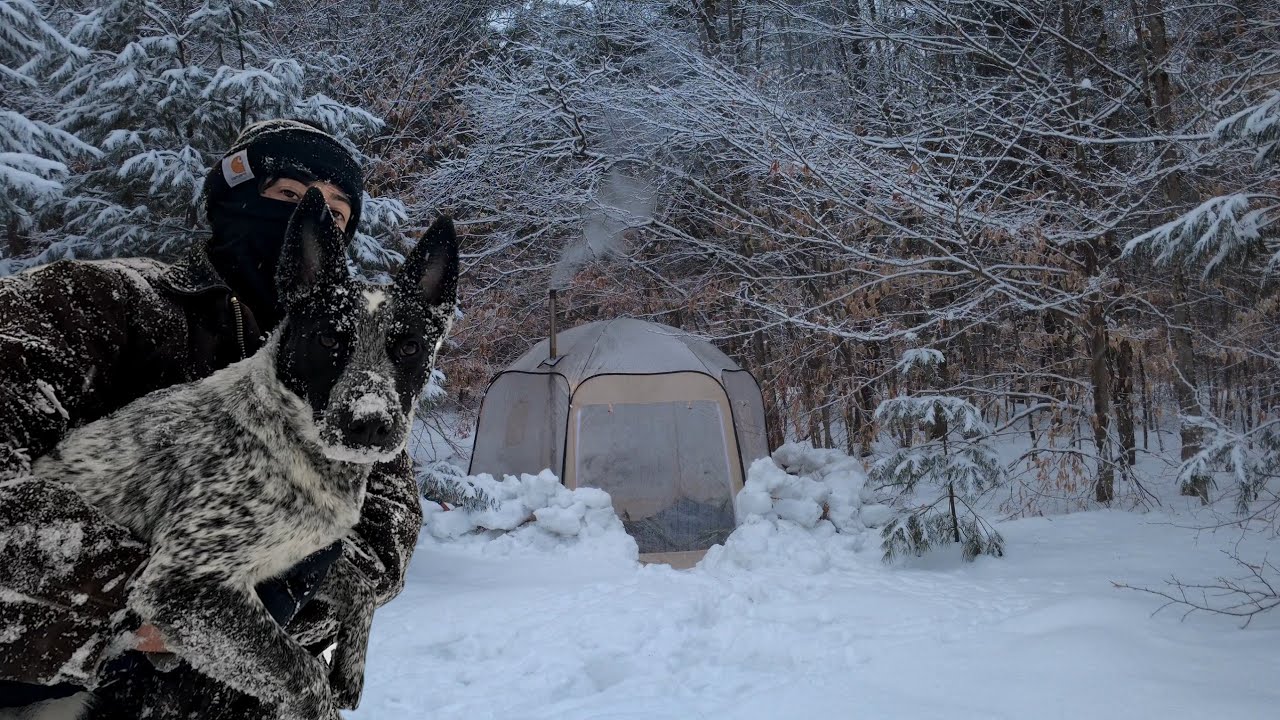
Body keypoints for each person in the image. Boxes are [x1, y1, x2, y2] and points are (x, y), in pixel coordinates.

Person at [0, 120, 424, 717]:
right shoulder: (102, 299)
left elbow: (388, 519)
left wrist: (300, 588)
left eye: (337, 208)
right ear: (230, 198)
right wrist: (143, 605)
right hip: (44, 683)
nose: (315, 215)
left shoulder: (359, 380)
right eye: (287, 194)